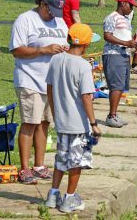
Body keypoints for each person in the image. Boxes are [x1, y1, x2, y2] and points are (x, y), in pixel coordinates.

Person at [9, 0, 69, 184]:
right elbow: (16, 50)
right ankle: (25, 169)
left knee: (45, 122)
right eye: (50, 10)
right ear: (42, 4)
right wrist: (43, 49)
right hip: (30, 78)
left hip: (52, 81)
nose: (53, 15)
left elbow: (63, 42)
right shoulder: (25, 19)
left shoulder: (60, 21)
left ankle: (40, 166)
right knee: (30, 122)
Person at [45, 23, 101, 213]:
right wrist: (94, 124)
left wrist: (55, 112)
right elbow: (86, 96)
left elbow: (50, 88)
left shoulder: (56, 59)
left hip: (61, 120)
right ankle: (69, 198)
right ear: (85, 45)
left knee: (61, 159)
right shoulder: (83, 65)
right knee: (76, 162)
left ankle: (53, 195)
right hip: (78, 123)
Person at [102, 0, 137, 128]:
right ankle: (111, 116)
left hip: (124, 55)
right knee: (116, 86)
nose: (132, 9)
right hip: (113, 55)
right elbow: (107, 36)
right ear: (123, 3)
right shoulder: (112, 18)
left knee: (121, 86)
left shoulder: (125, 19)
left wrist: (133, 42)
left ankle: (115, 114)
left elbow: (125, 38)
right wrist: (126, 43)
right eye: (131, 5)